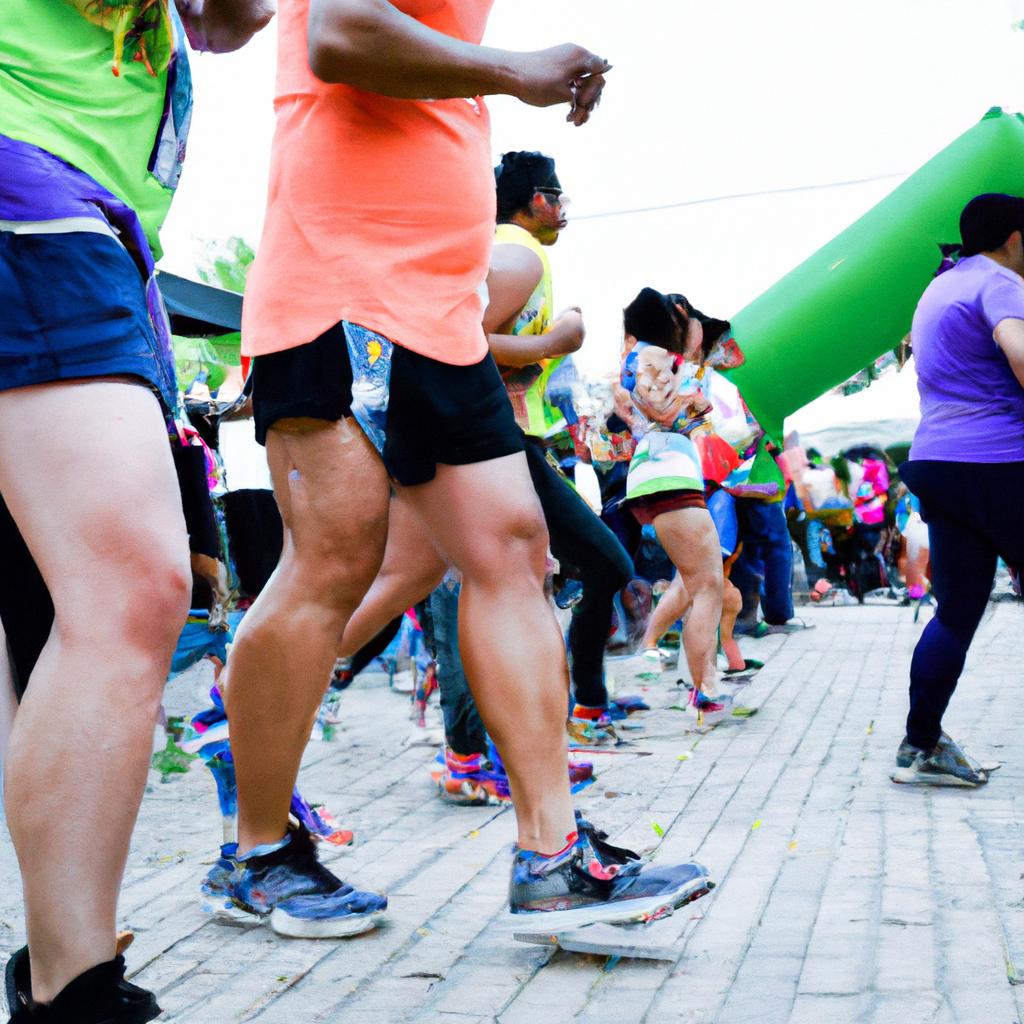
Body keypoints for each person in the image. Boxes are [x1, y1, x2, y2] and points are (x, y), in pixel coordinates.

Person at [215, 0, 709, 940]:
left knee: (516, 552)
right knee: (331, 565)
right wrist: (517, 71)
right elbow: (341, 33)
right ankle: (259, 851)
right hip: (338, 287)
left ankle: (552, 858)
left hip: (440, 316)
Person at [0, 0, 273, 1019]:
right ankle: (70, 992)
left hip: (83, 213)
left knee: (39, 630)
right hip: (29, 189)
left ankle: (57, 970)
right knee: (127, 591)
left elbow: (229, 21)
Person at [893, 192, 1024, 788]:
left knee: (957, 611)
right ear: (1015, 238)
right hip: (999, 464)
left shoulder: (939, 287)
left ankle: (921, 743)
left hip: (938, 461)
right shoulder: (1000, 282)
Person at [619, 288, 729, 719]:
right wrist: (697, 409)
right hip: (670, 472)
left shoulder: (642, 358)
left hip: (655, 473)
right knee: (707, 587)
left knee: (698, 582)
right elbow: (668, 410)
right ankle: (704, 693)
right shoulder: (656, 358)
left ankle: (702, 685)